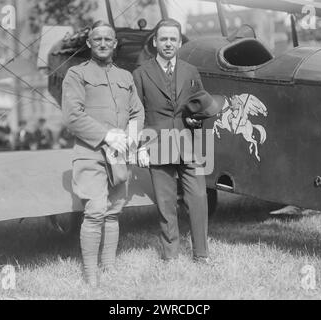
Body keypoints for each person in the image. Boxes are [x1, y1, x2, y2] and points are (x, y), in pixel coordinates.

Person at [62, 20, 145, 285]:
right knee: (96, 210)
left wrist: (132, 138)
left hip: (118, 155)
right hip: (91, 152)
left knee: (113, 211)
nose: (102, 44)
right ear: (88, 43)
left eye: (108, 39)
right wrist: (106, 135)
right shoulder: (76, 74)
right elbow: (73, 116)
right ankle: (91, 276)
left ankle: (108, 268)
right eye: (97, 39)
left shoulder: (125, 76)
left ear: (115, 43)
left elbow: (137, 111)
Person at [133, 19, 210, 263]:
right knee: (166, 204)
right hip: (157, 144)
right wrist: (140, 147)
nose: (168, 43)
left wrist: (198, 122)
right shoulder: (140, 74)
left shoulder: (190, 71)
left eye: (173, 39)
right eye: (163, 39)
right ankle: (171, 256)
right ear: (155, 42)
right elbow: (137, 113)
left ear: (179, 42)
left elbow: (200, 105)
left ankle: (201, 254)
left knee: (198, 198)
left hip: (189, 143)